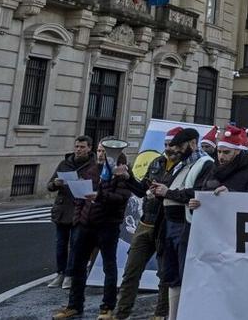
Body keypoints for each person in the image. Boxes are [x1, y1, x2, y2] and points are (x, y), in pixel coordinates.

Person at [53, 140, 135, 320]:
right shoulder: (91, 170)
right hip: (85, 224)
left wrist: (100, 196)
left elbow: (122, 197)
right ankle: (74, 305)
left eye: (103, 151)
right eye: (98, 150)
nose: (100, 154)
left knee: (109, 267)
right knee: (78, 266)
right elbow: (79, 197)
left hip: (107, 225)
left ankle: (107, 307)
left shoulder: (121, 173)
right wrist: (77, 219)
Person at [115, 128, 181, 320]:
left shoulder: (185, 167)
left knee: (164, 276)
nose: (168, 149)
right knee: (131, 271)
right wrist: (128, 179)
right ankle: (121, 314)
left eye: (172, 145)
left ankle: (159, 315)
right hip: (146, 223)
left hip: (166, 225)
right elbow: (143, 189)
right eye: (166, 145)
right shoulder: (157, 162)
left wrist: (163, 192)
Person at [150, 127, 214, 319]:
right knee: (172, 274)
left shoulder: (205, 164)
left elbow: (197, 192)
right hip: (170, 225)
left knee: (185, 273)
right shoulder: (181, 164)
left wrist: (167, 193)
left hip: (185, 225)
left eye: (180, 146)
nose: (175, 150)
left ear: (193, 144)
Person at [46, 135, 98, 290]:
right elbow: (49, 185)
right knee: (60, 244)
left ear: (89, 148)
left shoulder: (93, 166)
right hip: (62, 209)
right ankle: (60, 273)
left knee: (76, 244)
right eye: (76, 147)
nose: (78, 150)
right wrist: (55, 183)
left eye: (82, 147)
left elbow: (98, 187)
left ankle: (70, 274)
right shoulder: (65, 163)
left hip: (80, 209)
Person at [194, 126, 248, 199]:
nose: (221, 156)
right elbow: (203, 192)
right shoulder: (214, 169)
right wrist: (198, 202)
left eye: (226, 152)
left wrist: (230, 194)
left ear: (237, 151)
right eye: (219, 152)